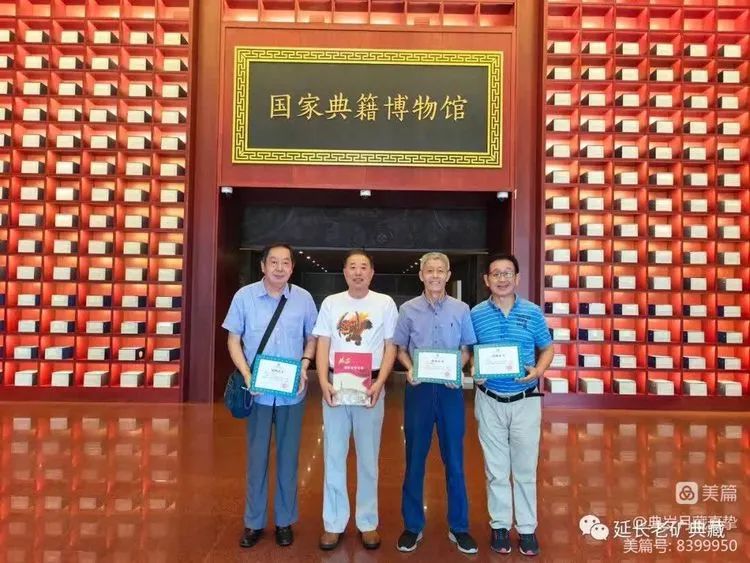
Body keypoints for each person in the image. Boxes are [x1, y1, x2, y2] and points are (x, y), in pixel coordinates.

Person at [222, 243, 318, 549]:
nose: (279, 268)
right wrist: (247, 374)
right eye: (273, 262)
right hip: (258, 392)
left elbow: (312, 338)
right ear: (263, 266)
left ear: (292, 267)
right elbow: (233, 339)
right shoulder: (245, 297)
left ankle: (284, 521)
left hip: (292, 394)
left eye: (285, 262)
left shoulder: (303, 299)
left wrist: (305, 365)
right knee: (257, 459)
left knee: (289, 459)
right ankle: (253, 522)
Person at [393, 252, 478, 554]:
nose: (435, 276)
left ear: (448, 275)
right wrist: (409, 368)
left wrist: (459, 368)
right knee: (415, 458)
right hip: (419, 390)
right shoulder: (408, 309)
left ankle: (460, 527)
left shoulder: (461, 309)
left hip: (450, 391)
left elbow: (467, 348)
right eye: (429, 271)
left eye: (440, 271)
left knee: (454, 459)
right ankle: (412, 526)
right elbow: (401, 349)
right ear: (421, 275)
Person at [470, 253, 554, 557]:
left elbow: (547, 348)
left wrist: (539, 371)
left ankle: (527, 528)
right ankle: (500, 526)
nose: (502, 279)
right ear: (486, 280)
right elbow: (469, 351)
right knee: (495, 469)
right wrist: (473, 371)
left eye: (507, 273)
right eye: (496, 274)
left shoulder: (532, 312)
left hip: (525, 400)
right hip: (489, 399)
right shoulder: (476, 314)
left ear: (517, 278)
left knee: (525, 468)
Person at [313, 249, 398, 551]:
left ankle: (368, 522)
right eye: (352, 266)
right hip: (336, 385)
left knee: (368, 457)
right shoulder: (331, 303)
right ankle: (333, 523)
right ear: (345, 272)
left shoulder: (384, 303)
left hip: (369, 386)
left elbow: (390, 346)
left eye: (364, 267)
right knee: (334, 455)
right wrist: (322, 381)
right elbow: (323, 343)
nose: (358, 272)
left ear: (372, 273)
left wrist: (380, 382)